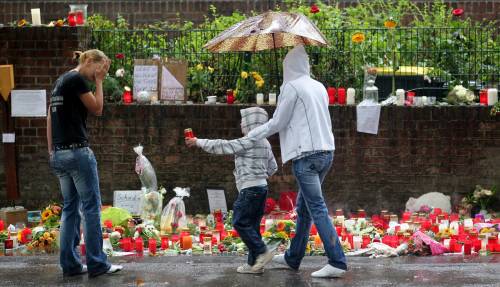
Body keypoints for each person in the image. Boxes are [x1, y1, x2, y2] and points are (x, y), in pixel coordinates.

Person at [245, 45, 347, 278]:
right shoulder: (318, 86)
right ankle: (293, 258)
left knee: (316, 207)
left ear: (287, 67)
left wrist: (252, 134)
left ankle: (337, 261)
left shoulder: (291, 87)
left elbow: (277, 122)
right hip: (326, 153)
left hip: (306, 156)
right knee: (304, 208)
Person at [47, 49, 122, 277]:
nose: (97, 76)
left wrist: (52, 151)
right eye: (99, 70)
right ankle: (98, 264)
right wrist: (98, 83)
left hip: (59, 154)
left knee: (70, 209)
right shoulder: (77, 79)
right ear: (89, 61)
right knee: (90, 208)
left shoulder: (61, 81)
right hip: (78, 153)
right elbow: (97, 108)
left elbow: (49, 117)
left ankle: (70, 265)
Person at [186, 107, 277, 274]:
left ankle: (263, 251)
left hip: (249, 189)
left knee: (239, 221)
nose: (241, 124)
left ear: (251, 123)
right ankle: (253, 265)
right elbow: (273, 167)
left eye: (244, 121)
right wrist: (260, 177)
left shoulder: (249, 140)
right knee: (253, 226)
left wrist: (198, 141)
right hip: (262, 188)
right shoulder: (265, 143)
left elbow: (223, 146)